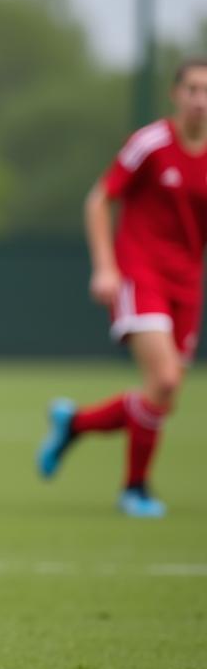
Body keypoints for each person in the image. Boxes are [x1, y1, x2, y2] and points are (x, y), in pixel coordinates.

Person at [38, 57, 207, 518]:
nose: (200, 100)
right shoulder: (151, 144)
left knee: (162, 397)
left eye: (206, 91)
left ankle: (74, 422)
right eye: (192, 89)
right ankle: (135, 489)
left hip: (188, 286)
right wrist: (105, 267)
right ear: (176, 95)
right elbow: (100, 198)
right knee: (166, 381)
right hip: (141, 273)